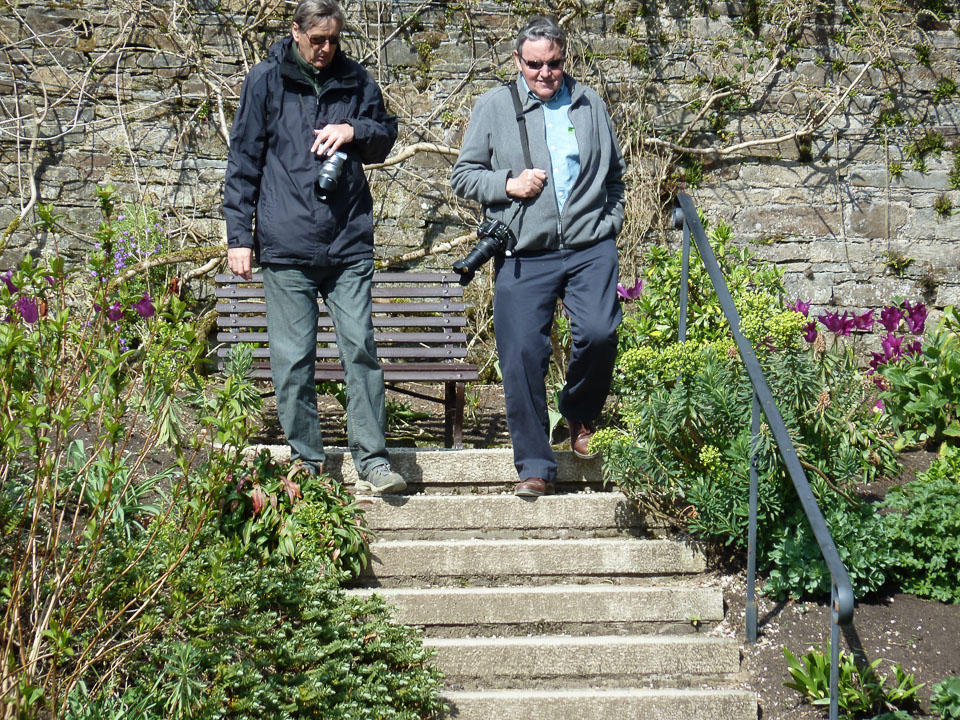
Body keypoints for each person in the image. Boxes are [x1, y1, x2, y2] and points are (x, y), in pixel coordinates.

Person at [223, 0, 407, 495]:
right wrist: (240, 237)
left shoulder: (356, 78)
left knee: (361, 352)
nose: (326, 49)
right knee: (294, 360)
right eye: (318, 39)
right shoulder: (266, 80)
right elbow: (243, 161)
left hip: (348, 243)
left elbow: (384, 136)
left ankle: (373, 460)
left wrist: (355, 130)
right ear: (296, 32)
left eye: (333, 39)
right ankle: (306, 460)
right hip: (286, 247)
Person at [451, 15, 626, 497]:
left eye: (554, 63)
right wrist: (506, 183)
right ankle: (533, 464)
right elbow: (463, 176)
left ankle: (578, 411)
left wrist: (610, 222)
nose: (545, 74)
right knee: (523, 353)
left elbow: (615, 177)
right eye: (534, 65)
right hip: (525, 253)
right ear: (517, 61)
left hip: (590, 246)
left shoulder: (589, 103)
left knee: (598, 331)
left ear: (564, 58)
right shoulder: (493, 106)